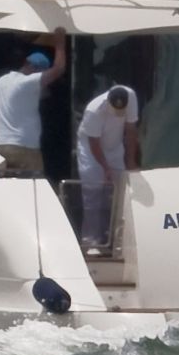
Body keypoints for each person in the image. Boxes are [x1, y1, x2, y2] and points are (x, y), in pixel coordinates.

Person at [0, 28, 68, 172]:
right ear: (36, 69)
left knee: (8, 187)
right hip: (25, 147)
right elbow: (59, 68)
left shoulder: (3, 81)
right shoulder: (29, 82)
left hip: (1, 145)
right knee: (33, 187)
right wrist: (60, 43)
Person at [76, 85, 139, 248]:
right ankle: (91, 241)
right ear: (107, 102)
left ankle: (116, 240)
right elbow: (94, 143)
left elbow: (131, 130)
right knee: (94, 192)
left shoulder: (131, 97)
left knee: (119, 192)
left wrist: (131, 160)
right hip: (91, 151)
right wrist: (105, 168)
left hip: (115, 148)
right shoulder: (94, 110)